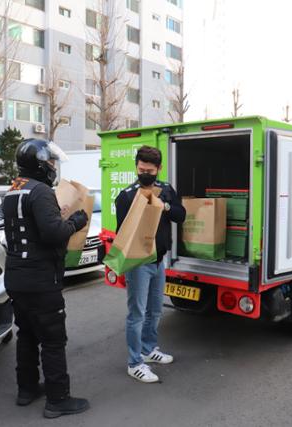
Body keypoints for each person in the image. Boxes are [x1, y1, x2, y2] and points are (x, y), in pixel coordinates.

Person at [3, 138, 90, 418]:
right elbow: (53, 233)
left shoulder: (14, 189)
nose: (53, 166)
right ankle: (58, 399)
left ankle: (26, 389)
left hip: (16, 275)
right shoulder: (40, 191)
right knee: (53, 340)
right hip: (40, 278)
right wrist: (76, 221)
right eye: (50, 161)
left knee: (26, 334)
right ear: (39, 164)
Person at [114, 145, 186, 383]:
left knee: (155, 310)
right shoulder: (126, 196)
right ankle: (135, 362)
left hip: (159, 260)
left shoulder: (165, 189)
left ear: (159, 169)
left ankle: (149, 348)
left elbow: (181, 214)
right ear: (136, 167)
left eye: (149, 170)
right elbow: (122, 233)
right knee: (137, 313)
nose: (144, 173)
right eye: (141, 169)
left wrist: (163, 205)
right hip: (138, 263)